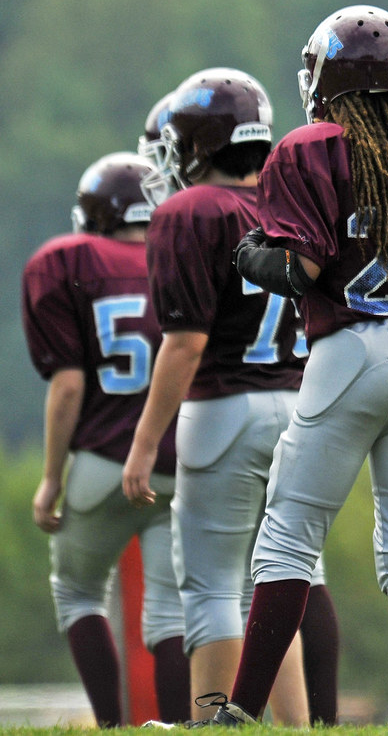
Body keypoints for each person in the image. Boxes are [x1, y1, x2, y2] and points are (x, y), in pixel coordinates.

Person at [187, 4, 388, 727]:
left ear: (328, 80)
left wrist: (252, 254)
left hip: (349, 349)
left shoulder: (313, 148)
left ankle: (241, 713)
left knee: (288, 535)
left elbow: (302, 266)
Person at [122, 69, 336, 725]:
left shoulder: (191, 210)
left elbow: (183, 343)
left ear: (197, 142)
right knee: (273, 580)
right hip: (298, 409)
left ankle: (212, 717)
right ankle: (295, 726)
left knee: (212, 584)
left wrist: (142, 443)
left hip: (225, 411)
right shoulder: (286, 202)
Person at [21, 152, 191, 727]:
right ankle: (174, 726)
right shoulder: (181, 257)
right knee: (171, 613)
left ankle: (112, 726)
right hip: (180, 458)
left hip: (102, 458)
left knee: (78, 593)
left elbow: (68, 387)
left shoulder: (68, 262)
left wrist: (50, 477)